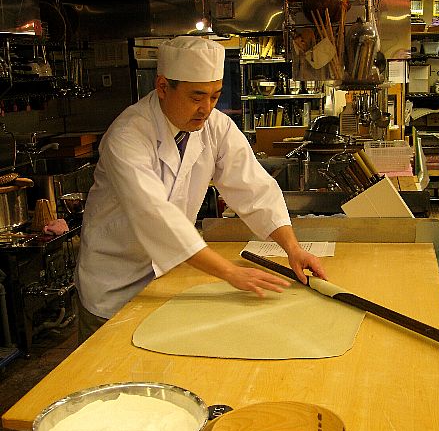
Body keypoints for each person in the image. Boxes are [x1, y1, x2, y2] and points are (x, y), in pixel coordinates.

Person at [75, 36, 327, 342]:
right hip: (113, 283)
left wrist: (293, 248)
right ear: (163, 87)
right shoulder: (128, 136)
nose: (206, 108)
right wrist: (231, 273)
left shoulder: (215, 127)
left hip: (164, 280)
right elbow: (155, 216)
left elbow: (254, 188)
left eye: (214, 96)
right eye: (196, 97)